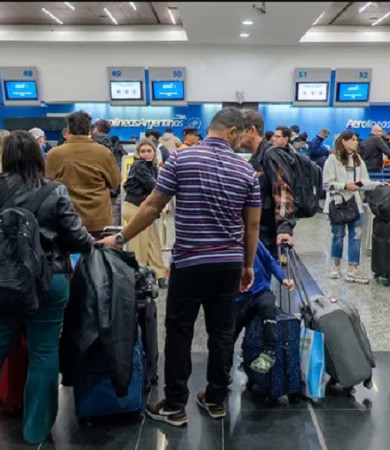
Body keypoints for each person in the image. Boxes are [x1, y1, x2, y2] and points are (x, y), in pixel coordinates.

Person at [100, 107, 261, 427]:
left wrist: (120, 238)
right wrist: (248, 265)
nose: (242, 142)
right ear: (230, 132)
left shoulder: (181, 160)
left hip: (189, 263)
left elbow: (152, 206)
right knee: (222, 333)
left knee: (179, 333)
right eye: (241, 135)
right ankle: (216, 399)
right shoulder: (246, 172)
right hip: (228, 264)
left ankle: (175, 405)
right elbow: (252, 226)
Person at [0, 131, 95, 445]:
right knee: (44, 351)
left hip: (0, 280)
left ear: (5, 157)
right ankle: (35, 431)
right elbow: (77, 239)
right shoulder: (54, 190)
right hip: (49, 279)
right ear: (39, 157)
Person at [46, 111, 120, 237]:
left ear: (69, 130)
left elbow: (47, 185)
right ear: (90, 130)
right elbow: (115, 183)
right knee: (99, 255)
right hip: (99, 220)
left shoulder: (55, 154)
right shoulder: (103, 153)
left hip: (67, 219)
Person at [324, 130, 383, 283]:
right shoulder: (332, 159)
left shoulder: (358, 160)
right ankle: (335, 266)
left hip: (355, 205)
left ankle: (352, 270)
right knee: (338, 236)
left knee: (355, 237)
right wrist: (344, 186)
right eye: (353, 139)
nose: (356, 142)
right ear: (344, 141)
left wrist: (378, 184)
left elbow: (363, 181)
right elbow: (326, 185)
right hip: (337, 204)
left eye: (357, 139)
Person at [234, 240, 294, 374]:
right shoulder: (225, 245)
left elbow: (269, 260)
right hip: (237, 297)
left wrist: (283, 278)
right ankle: (222, 376)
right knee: (228, 335)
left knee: (268, 306)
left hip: (259, 291)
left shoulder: (253, 240)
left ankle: (269, 351)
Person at [243, 120, 297, 256]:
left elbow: (283, 190)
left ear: (252, 130)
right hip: (256, 229)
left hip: (266, 230)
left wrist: (284, 227)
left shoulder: (271, 155)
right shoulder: (257, 157)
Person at [122, 139, 169, 287]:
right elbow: (153, 186)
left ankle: (159, 274)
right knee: (140, 246)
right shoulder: (140, 165)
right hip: (135, 208)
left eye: (149, 151)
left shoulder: (151, 167)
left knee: (153, 243)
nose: (146, 154)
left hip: (144, 208)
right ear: (138, 153)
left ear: (154, 152)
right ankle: (138, 277)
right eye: (143, 151)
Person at [92, 119, 126, 227]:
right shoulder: (112, 147)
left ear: (95, 130)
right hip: (108, 191)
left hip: (91, 192)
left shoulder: (90, 145)